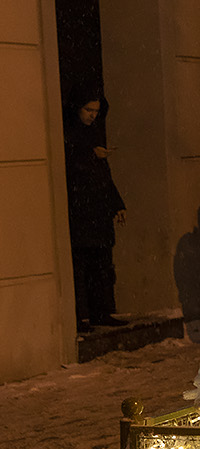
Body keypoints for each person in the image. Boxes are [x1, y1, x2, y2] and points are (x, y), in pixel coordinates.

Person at [64, 89, 127, 331]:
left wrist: (116, 204)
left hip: (97, 212)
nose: (92, 116)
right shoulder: (70, 135)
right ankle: (82, 317)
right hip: (81, 212)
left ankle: (101, 312)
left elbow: (104, 176)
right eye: (88, 110)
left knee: (101, 265)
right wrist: (90, 155)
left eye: (96, 111)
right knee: (81, 266)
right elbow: (72, 168)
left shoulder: (92, 134)